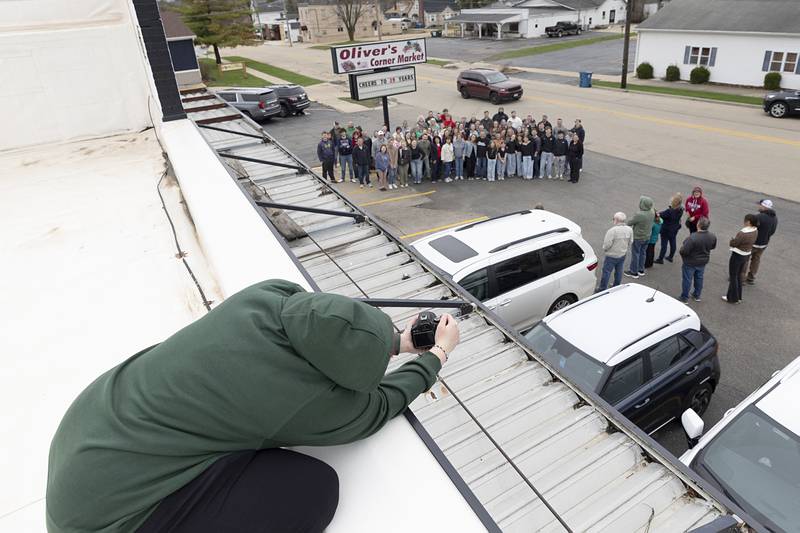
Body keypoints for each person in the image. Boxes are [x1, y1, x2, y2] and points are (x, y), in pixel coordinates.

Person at [46, 280, 460, 533]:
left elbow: (329, 325)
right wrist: (435, 356)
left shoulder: (265, 297)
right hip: (111, 523)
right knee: (314, 491)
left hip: (89, 438)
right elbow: (378, 406)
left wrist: (398, 341)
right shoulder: (307, 401)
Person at [678, 217, 716, 303]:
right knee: (699, 278)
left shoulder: (692, 237)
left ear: (698, 224)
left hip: (690, 262)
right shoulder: (712, 236)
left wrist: (682, 252)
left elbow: (684, 251)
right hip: (703, 261)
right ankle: (697, 295)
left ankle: (684, 297)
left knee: (687, 279)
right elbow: (713, 246)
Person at [724, 214, 759, 304]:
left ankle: (733, 298)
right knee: (739, 275)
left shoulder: (743, 233)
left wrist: (732, 240)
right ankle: (738, 296)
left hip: (738, 255)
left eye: (745, 220)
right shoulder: (755, 230)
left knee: (733, 276)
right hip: (746, 254)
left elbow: (734, 243)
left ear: (748, 222)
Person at [598, 212, 633, 292]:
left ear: (616, 220)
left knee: (606, 272)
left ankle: (602, 289)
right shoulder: (630, 229)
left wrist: (605, 250)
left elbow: (607, 244)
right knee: (619, 271)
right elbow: (631, 241)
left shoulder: (612, 231)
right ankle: (616, 286)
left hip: (611, 255)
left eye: (613, 219)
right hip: (622, 254)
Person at [746, 199, 778, 285]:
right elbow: (772, 231)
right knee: (756, 260)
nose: (759, 206)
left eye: (760, 205)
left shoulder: (758, 217)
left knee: (745, 259)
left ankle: (740, 277)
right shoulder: (774, 218)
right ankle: (751, 277)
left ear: (764, 206)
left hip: (753, 243)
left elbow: (750, 229)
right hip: (764, 244)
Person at [624, 196, 655, 278]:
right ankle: (641, 270)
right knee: (643, 253)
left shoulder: (640, 214)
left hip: (638, 237)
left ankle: (634, 272)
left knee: (636, 254)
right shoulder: (652, 212)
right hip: (647, 236)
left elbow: (629, 222)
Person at [655, 194, 684, 264]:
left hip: (666, 229)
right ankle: (670, 257)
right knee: (673, 242)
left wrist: (656, 213)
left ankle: (660, 259)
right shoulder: (681, 210)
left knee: (664, 244)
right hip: (674, 229)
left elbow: (660, 214)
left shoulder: (669, 211)